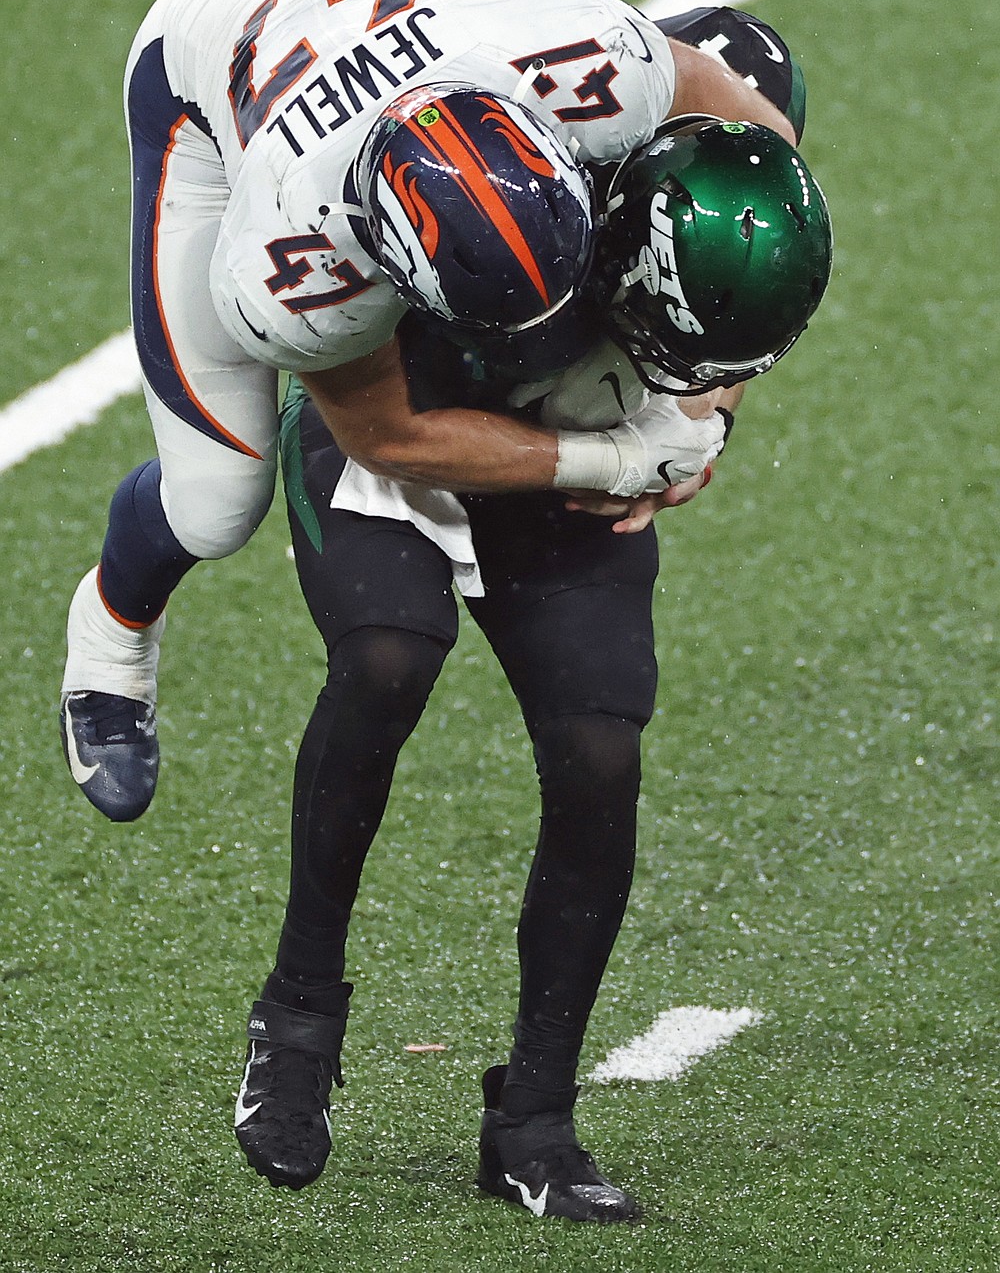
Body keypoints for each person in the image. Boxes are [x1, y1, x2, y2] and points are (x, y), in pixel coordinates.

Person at [59, 0, 799, 824]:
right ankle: (112, 627)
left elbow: (758, 146)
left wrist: (705, 403)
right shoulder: (295, 256)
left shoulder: (597, 60)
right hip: (205, 71)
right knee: (218, 498)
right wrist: (614, 460)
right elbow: (386, 436)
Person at [232, 105, 833, 1222]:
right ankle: (297, 1015)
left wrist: (703, 421)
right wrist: (616, 450)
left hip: (573, 426)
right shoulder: (504, 189)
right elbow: (396, 438)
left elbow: (728, 343)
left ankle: (535, 1121)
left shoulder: (732, 169)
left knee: (599, 749)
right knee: (386, 658)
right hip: (400, 409)